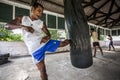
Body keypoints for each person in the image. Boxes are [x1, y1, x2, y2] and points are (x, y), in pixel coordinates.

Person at [5, 2, 71, 80]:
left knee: (64, 43)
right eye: (39, 10)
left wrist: (47, 37)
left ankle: (72, 40)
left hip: (44, 43)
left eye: (42, 12)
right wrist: (23, 27)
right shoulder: (22, 19)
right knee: (43, 70)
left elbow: (48, 34)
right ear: (32, 9)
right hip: (35, 50)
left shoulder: (42, 23)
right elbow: (7, 26)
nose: (40, 13)